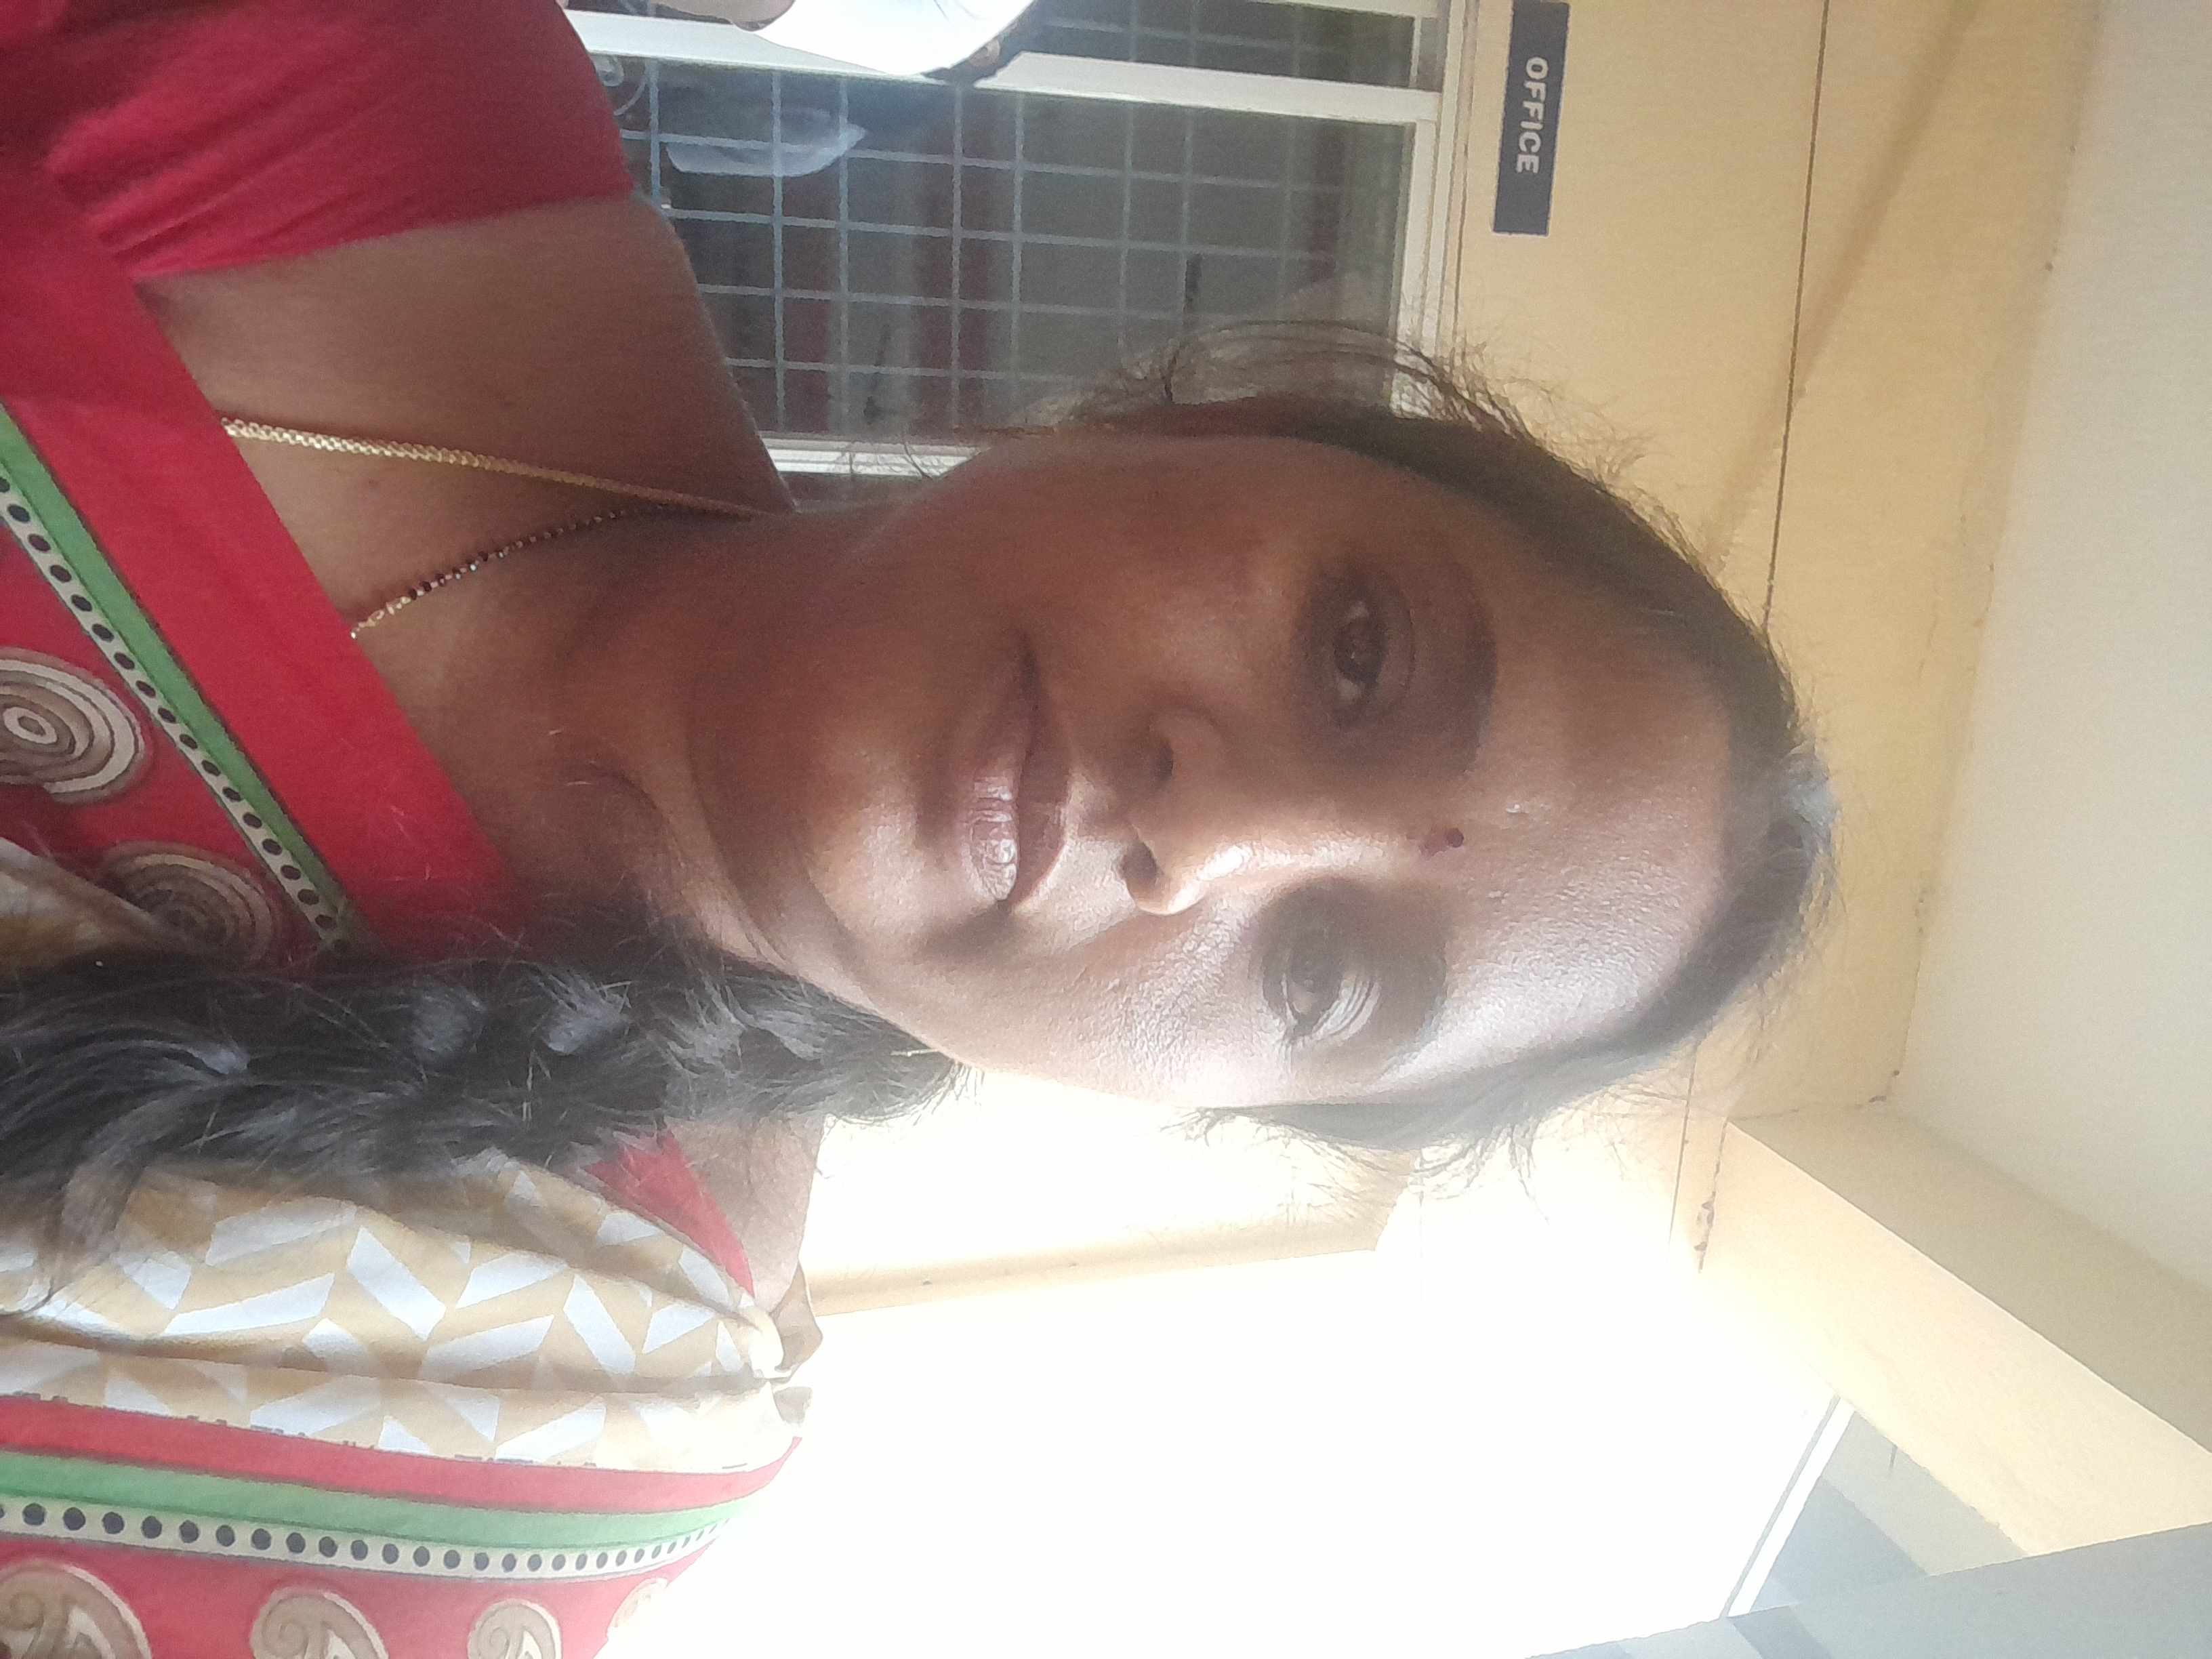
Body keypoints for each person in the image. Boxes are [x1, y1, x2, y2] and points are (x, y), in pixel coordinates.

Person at [0, 0, 1829, 1652]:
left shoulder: (546, 1425)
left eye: (1321, 973)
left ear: (1176, 1100)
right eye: (1361, 655)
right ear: (1230, 422)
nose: (1210, 831)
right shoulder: (359, 81)